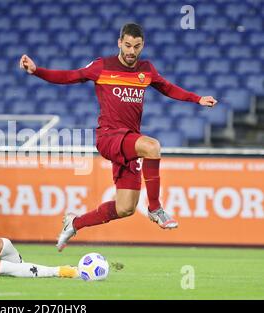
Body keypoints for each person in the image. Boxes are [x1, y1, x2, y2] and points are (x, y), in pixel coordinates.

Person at [19, 23, 218, 251]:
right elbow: (69, 76)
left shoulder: (146, 70)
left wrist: (197, 99)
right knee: (152, 147)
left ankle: (74, 223)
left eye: (137, 46)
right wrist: (37, 71)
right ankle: (155, 208)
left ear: (142, 45)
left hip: (128, 142)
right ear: (119, 43)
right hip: (108, 137)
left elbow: (168, 88)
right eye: (127, 45)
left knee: (125, 208)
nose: (132, 51)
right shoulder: (102, 66)